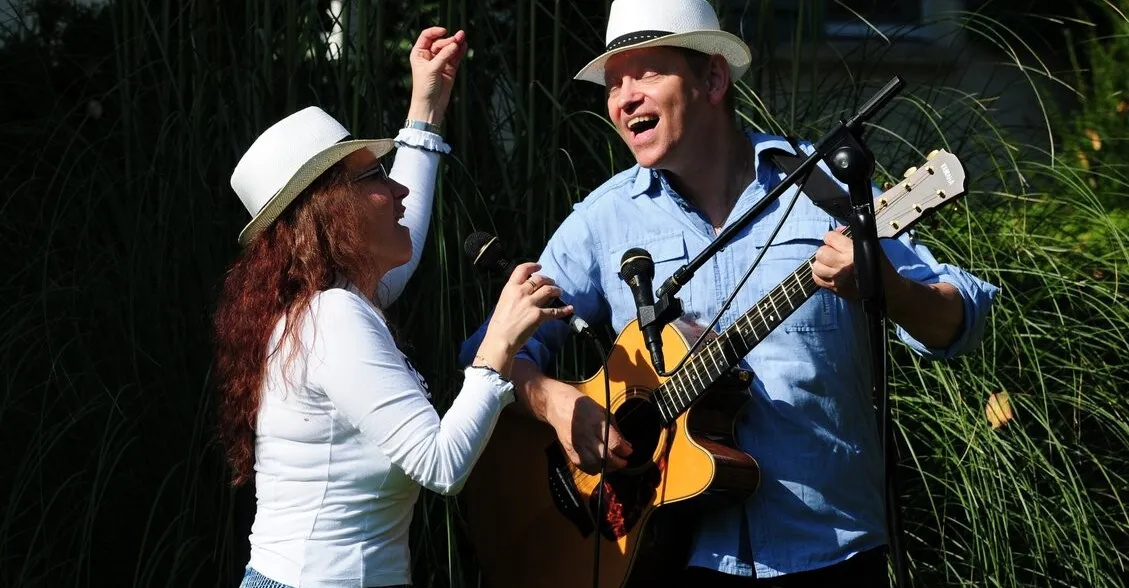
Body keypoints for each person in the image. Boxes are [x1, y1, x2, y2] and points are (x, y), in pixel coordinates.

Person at [459, 1, 998, 586]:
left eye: (646, 74)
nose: (624, 98)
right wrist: (555, 403)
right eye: (614, 84)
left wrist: (887, 288)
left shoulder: (821, 189)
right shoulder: (602, 221)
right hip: (666, 560)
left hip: (829, 554)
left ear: (713, 78)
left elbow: (962, 318)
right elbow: (487, 353)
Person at [213, 27, 573, 588]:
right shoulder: (333, 318)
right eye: (377, 174)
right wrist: (500, 342)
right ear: (332, 211)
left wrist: (425, 110)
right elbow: (441, 465)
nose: (398, 189)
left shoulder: (322, 308)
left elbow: (405, 244)